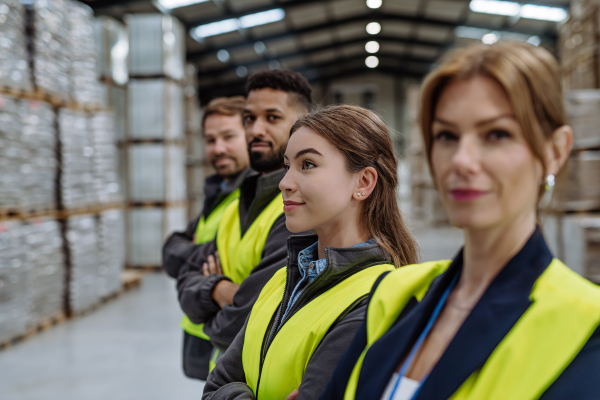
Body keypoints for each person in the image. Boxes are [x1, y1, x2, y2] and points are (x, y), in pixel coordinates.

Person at [320, 41, 600, 400]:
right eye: (447, 136)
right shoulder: (395, 294)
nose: (461, 161)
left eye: (496, 134)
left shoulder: (584, 327)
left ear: (555, 151)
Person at [202, 105, 419, 400]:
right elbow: (216, 383)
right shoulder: (284, 279)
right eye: (287, 165)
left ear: (363, 182)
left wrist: (235, 392)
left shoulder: (371, 304)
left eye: (307, 165)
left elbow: (224, 388)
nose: (284, 183)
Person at [176, 70, 313, 372]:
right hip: (225, 376)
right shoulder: (235, 205)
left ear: (302, 126)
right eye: (249, 119)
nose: (255, 130)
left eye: (272, 118)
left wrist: (211, 296)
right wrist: (221, 289)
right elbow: (186, 280)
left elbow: (249, 320)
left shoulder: (298, 212)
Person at [162, 96, 250, 380]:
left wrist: (189, 256)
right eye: (210, 140)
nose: (218, 148)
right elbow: (171, 250)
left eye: (228, 137)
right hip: (200, 323)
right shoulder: (219, 192)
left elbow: (183, 254)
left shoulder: (251, 201)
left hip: (228, 333)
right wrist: (196, 259)